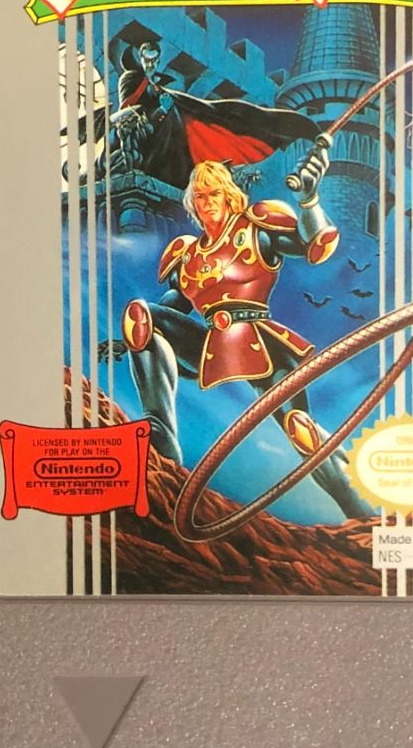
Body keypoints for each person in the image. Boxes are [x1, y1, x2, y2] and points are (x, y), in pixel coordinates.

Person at [121, 152, 371, 520]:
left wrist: (308, 200)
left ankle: (361, 511)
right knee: (142, 316)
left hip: (261, 341)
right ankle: (159, 433)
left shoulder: (257, 227)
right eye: (200, 197)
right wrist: (135, 340)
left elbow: (315, 246)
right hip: (211, 344)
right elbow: (171, 309)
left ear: (229, 195)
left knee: (300, 429)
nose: (208, 203)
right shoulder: (188, 254)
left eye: (214, 194)